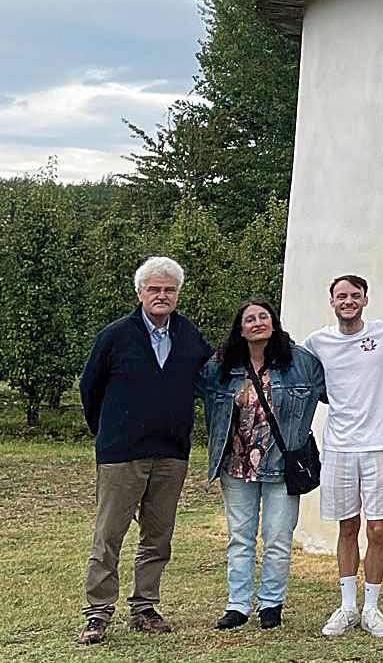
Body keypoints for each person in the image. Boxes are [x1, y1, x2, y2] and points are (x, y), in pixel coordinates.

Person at [77, 256, 213, 645]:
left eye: (169, 289)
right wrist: (107, 433)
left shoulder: (189, 336)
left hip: (171, 453)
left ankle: (145, 607)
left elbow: (209, 380)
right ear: (140, 293)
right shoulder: (116, 336)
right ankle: (98, 613)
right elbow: (90, 388)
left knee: (158, 536)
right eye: (154, 289)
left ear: (178, 294)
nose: (161, 295)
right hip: (122, 453)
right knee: (109, 535)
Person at [303, 274, 383, 639]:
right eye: (341, 296)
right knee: (347, 526)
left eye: (355, 295)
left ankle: (372, 607)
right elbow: (293, 370)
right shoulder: (317, 342)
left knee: (377, 527)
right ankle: (347, 607)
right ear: (332, 301)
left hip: (382, 446)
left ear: (365, 299)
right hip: (339, 447)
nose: (348, 301)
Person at [199, 298, 326, 630]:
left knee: (278, 538)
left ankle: (271, 604)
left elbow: (336, 392)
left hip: (282, 464)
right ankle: (237, 605)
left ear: (274, 322)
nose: (257, 322)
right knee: (240, 537)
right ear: (239, 328)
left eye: (263, 316)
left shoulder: (301, 362)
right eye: (249, 318)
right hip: (235, 464)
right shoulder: (220, 365)